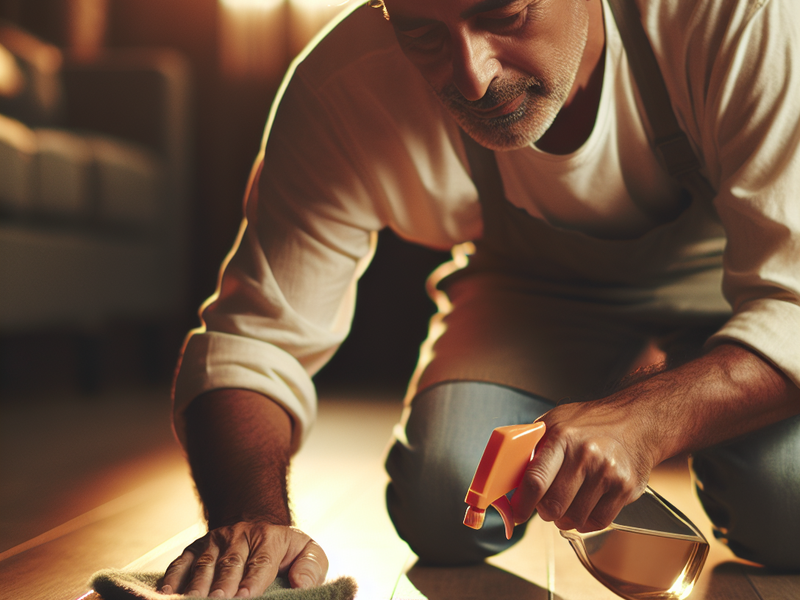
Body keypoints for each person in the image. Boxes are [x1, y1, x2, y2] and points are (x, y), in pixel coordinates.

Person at [162, 0, 800, 596]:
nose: (471, 79)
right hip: (528, 292)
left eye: (503, 14)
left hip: (739, 288)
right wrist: (249, 517)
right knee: (447, 498)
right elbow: (254, 340)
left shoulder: (741, 19)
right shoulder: (343, 86)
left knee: (787, 503)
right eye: (422, 33)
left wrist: (647, 417)